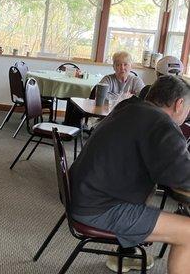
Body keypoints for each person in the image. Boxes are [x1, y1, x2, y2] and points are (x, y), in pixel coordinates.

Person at [70, 75, 190, 274]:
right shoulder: (161, 123)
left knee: (147, 188)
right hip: (98, 208)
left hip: (84, 194)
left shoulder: (129, 107)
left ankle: (127, 253)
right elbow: (182, 176)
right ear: (179, 104)